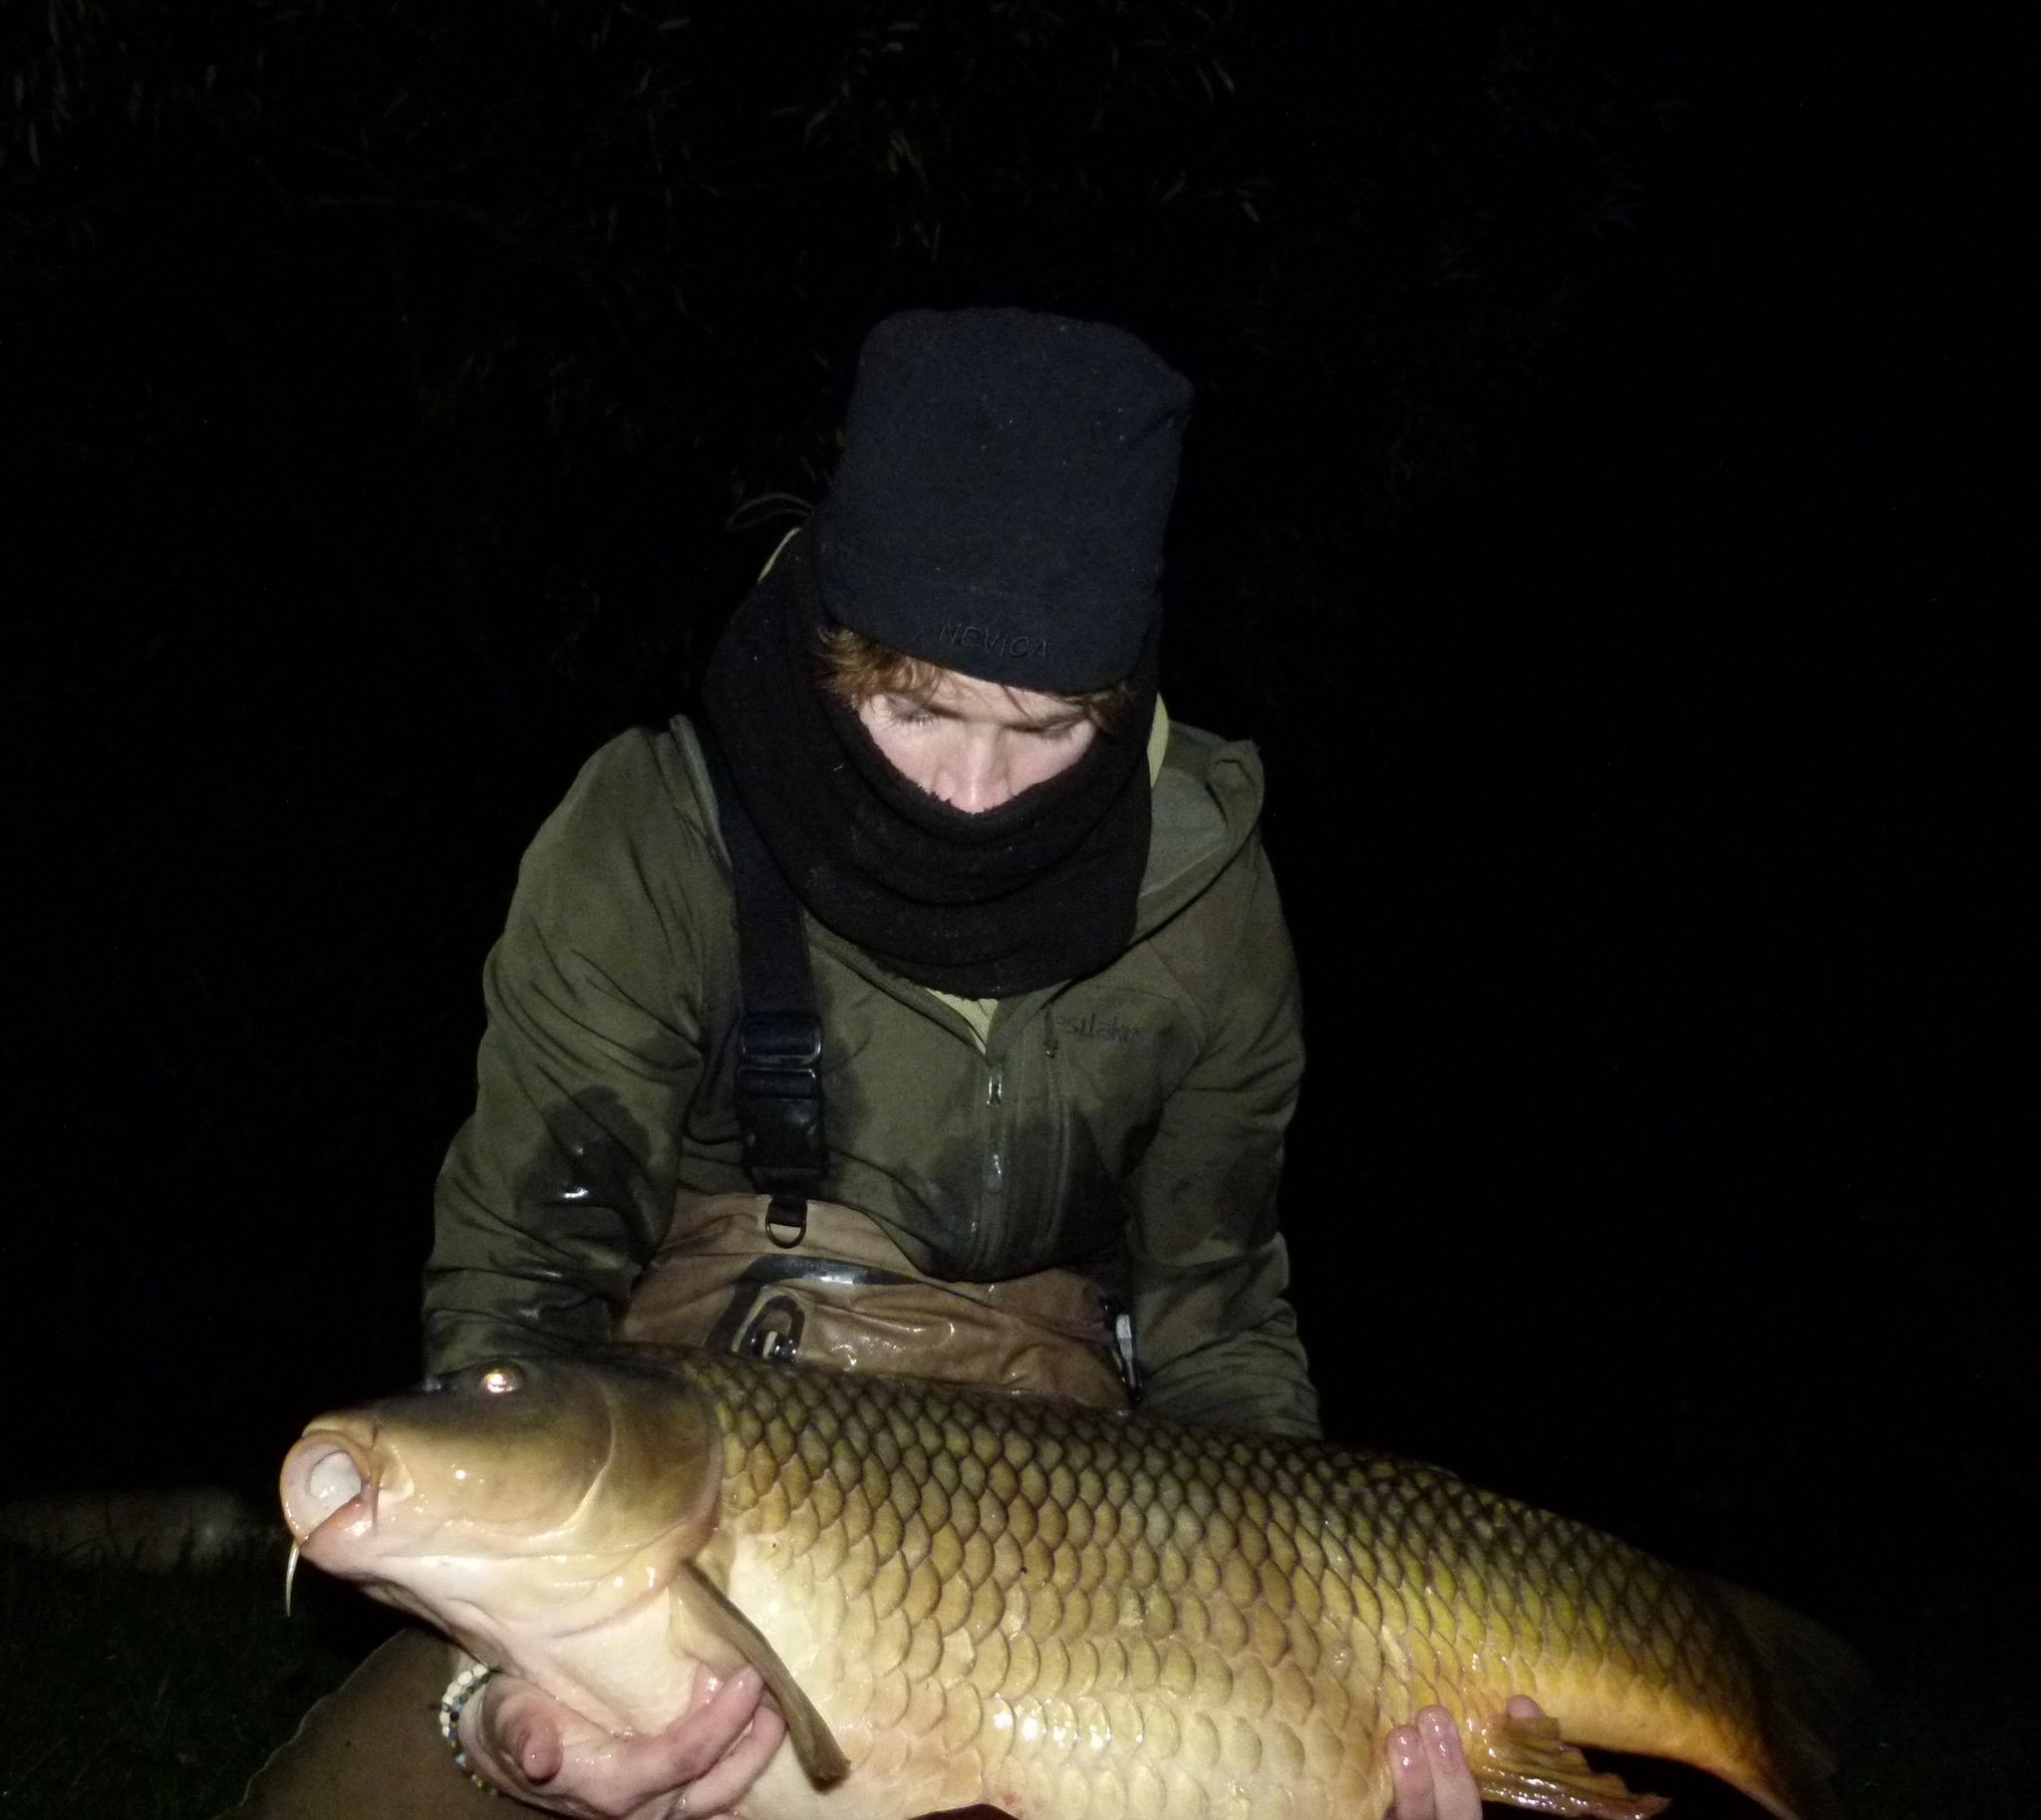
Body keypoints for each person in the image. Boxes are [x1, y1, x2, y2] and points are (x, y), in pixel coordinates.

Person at [228, 308, 1529, 1820]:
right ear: (837, 645)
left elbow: (1218, 1315)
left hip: (1065, 1524)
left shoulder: (1210, 898)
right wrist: (507, 1679)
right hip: (698, 1477)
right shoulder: (656, 834)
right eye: (915, 708)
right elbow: (525, 1279)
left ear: (1120, 696)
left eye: (1045, 729)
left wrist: (1301, 1640)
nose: (975, 791)